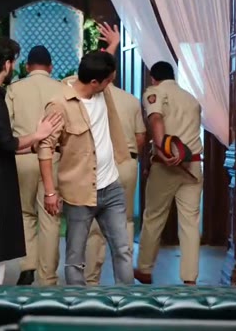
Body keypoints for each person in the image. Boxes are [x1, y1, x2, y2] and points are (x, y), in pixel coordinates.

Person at [0, 38, 61, 285]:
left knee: (6, 229)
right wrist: (38, 135)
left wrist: (30, 146)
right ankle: (43, 278)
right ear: (6, 64)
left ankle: (25, 270)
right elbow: (6, 141)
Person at [39, 50, 134, 286]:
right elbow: (45, 148)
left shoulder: (102, 91)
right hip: (78, 192)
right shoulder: (59, 105)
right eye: (108, 81)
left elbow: (100, 65)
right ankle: (77, 303)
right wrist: (50, 192)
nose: (111, 84)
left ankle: (129, 301)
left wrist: (112, 46)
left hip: (111, 186)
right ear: (94, 82)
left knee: (123, 249)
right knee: (75, 258)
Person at [81, 24, 146, 285]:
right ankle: (124, 281)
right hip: (127, 163)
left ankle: (91, 281)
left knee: (95, 226)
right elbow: (141, 138)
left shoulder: (87, 98)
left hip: (98, 164)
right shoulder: (130, 100)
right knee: (125, 222)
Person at [135, 61, 203, 285]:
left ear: (153, 78)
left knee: (154, 216)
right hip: (193, 165)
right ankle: (190, 278)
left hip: (166, 165)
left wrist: (163, 150)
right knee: (190, 222)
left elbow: (156, 119)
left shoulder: (154, 93)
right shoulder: (191, 98)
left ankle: (145, 269)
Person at [5, 45, 64, 286]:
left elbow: (6, 126)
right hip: (54, 158)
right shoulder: (61, 89)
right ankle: (48, 276)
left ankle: (27, 266)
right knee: (50, 217)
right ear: (51, 67)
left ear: (27, 67)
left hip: (22, 156)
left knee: (25, 213)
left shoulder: (14, 89)